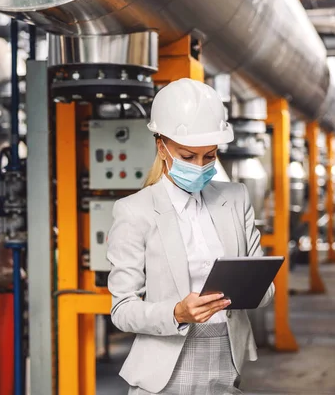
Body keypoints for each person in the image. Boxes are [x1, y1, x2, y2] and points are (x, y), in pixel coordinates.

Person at [107, 78, 275, 395]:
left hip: (226, 359)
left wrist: (252, 291)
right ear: (162, 146)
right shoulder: (135, 211)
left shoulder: (235, 199)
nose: (199, 166)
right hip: (165, 369)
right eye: (187, 156)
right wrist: (177, 313)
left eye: (209, 156)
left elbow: (264, 289)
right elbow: (122, 310)